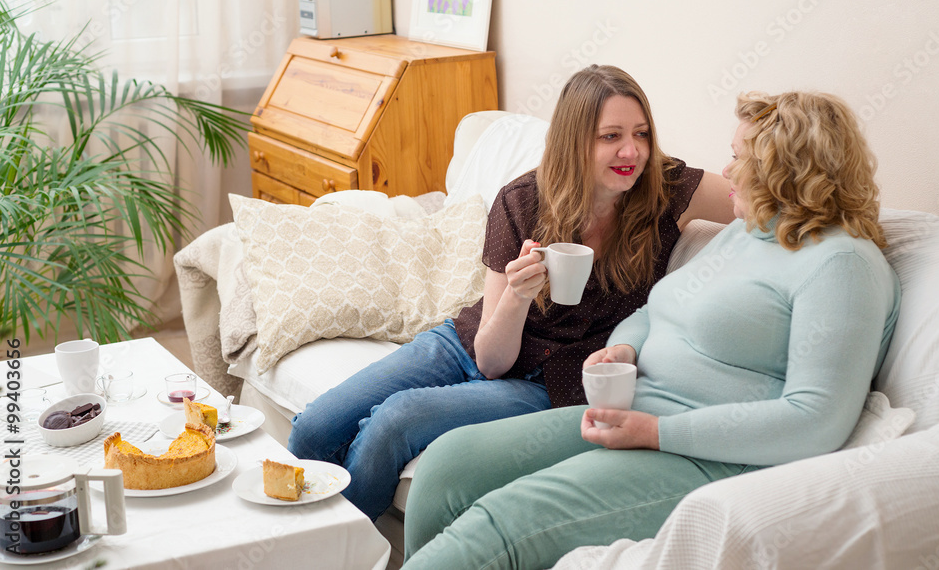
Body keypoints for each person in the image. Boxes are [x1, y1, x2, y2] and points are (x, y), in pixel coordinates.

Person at [402, 90, 902, 569]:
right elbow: (654, 311)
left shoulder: (842, 265)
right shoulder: (747, 234)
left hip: (712, 456)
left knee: (507, 521)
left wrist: (657, 433)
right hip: (635, 412)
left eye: (742, 158)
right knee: (449, 466)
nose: (727, 169)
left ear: (791, 170)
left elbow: (816, 419)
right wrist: (624, 347)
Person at [286, 65, 736, 521]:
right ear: (573, 142)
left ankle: (340, 545)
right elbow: (490, 360)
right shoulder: (521, 201)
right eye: (610, 136)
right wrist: (518, 297)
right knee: (316, 427)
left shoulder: (666, 188)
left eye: (641, 134)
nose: (630, 151)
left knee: (394, 421)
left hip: (551, 381)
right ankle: (304, 539)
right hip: (471, 345)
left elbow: (755, 198)